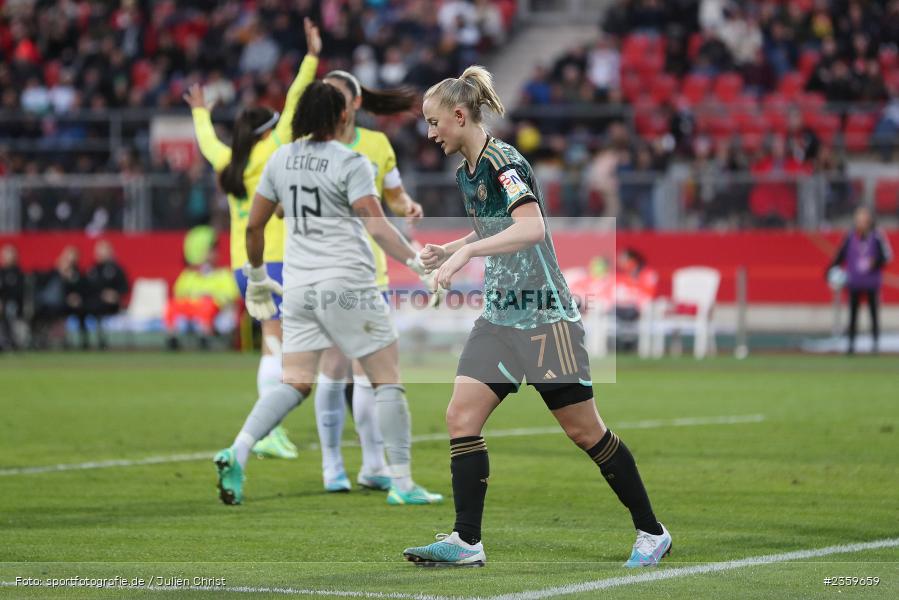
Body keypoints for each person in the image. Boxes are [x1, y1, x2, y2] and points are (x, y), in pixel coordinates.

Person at [402, 66, 670, 567]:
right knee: (461, 415)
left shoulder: (503, 160)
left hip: (545, 317)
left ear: (460, 116)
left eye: (434, 122)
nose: (431, 133)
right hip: (501, 318)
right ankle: (466, 541)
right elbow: (494, 226)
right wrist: (453, 248)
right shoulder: (467, 169)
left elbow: (532, 229)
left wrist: (467, 256)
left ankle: (652, 532)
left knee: (585, 431)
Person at [212, 80, 443, 508]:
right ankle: (403, 481)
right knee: (387, 379)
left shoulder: (281, 159)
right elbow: (376, 225)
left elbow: (258, 223)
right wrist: (417, 265)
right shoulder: (350, 161)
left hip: (299, 287)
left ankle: (238, 450)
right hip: (348, 283)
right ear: (342, 116)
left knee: (296, 381)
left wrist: (259, 276)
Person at [183, 18, 322, 460]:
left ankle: (268, 430)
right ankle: (269, 430)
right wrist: (312, 57)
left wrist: (200, 111)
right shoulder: (274, 148)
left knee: (271, 339)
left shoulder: (228, 159)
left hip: (243, 264)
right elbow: (297, 98)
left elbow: (207, 141)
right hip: (279, 259)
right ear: (266, 130)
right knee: (287, 346)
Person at [311, 68, 430, 493]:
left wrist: (407, 205)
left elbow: (393, 193)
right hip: (327, 270)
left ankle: (373, 463)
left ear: (355, 103)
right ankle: (332, 465)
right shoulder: (312, 148)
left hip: (369, 271)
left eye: (338, 96)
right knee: (334, 365)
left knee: (366, 369)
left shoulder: (377, 145)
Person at [829, 206, 893, 354]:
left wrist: (874, 262)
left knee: (873, 313)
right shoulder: (850, 236)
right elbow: (841, 255)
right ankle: (851, 345)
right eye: (858, 219)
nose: (860, 222)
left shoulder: (877, 236)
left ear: (869, 220)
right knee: (852, 314)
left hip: (872, 281)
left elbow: (887, 256)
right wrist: (830, 270)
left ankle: (875, 344)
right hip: (854, 281)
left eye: (863, 218)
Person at [84, 240, 129, 349]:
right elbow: (87, 288)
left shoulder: (117, 269)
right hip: (95, 302)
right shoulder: (92, 270)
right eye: (99, 251)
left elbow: (125, 288)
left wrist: (115, 295)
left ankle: (102, 340)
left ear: (110, 252)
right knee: (84, 308)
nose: (101, 253)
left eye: (104, 250)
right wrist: (100, 295)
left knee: (99, 307)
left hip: (112, 304)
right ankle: (85, 342)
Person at [0, 244, 25, 350]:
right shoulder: (1, 272)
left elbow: (19, 293)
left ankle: (9, 341)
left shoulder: (18, 273)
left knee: (10, 309)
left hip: (13, 304)